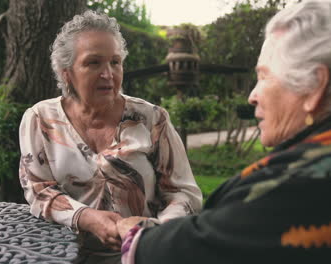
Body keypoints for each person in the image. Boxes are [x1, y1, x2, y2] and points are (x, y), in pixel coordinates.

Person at [116, 0, 331, 263]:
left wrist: (136, 234)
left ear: (314, 85)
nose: (252, 95)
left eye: (264, 76)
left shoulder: (306, 184)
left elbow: (192, 250)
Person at [18, 10, 202, 263]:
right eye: (94, 62)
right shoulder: (40, 119)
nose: (108, 74)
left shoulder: (151, 119)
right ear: (66, 72)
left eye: (115, 62)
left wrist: (153, 232)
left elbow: (183, 193)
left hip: (142, 255)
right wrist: (86, 218)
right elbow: (38, 189)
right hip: (62, 255)